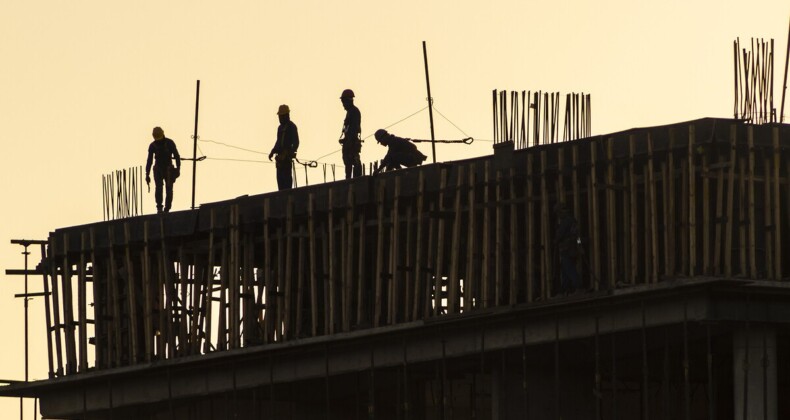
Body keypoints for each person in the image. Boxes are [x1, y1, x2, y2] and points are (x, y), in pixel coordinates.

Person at [145, 126, 181, 214]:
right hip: (158, 169)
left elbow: (177, 156)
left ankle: (167, 209)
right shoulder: (152, 146)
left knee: (169, 190)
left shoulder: (169, 143)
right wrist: (147, 173)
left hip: (168, 169)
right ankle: (159, 208)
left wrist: (178, 169)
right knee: (159, 188)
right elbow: (149, 160)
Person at [268, 104, 300, 191]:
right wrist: (273, 151)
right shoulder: (280, 128)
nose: (280, 119)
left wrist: (290, 152)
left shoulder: (292, 127)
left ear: (287, 116)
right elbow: (278, 142)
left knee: (286, 182)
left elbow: (296, 142)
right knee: (280, 182)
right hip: (280, 160)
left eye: (281, 116)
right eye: (279, 117)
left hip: (286, 159)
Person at [554, 203, 581, 295]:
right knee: (566, 270)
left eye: (558, 213)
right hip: (573, 249)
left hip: (566, 249)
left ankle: (578, 287)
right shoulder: (573, 221)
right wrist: (579, 246)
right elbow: (577, 236)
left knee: (569, 269)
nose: (558, 216)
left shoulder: (566, 222)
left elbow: (559, 236)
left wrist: (556, 240)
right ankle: (564, 290)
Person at [339, 88, 362, 179]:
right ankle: (348, 178)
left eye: (343, 102)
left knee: (354, 160)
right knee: (347, 161)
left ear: (348, 101)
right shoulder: (350, 112)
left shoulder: (354, 111)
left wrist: (350, 141)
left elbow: (354, 128)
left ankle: (357, 178)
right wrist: (345, 139)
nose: (343, 105)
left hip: (351, 141)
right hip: (348, 140)